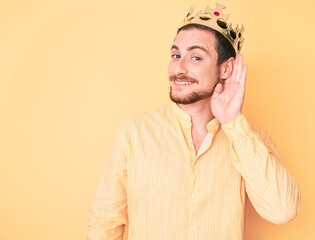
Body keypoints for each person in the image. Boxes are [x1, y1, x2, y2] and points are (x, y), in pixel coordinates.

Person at [88, 3, 300, 240]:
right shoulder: (135, 131)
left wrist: (232, 123)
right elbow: (104, 223)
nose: (179, 67)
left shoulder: (249, 137)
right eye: (176, 55)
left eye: (196, 57)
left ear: (226, 69)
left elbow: (283, 210)